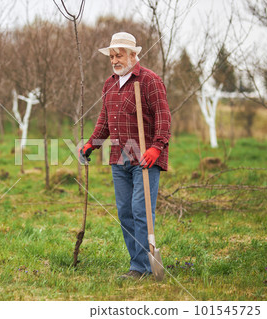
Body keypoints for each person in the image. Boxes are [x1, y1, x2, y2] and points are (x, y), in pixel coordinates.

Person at [79, 32, 171, 280]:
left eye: (118, 55)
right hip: (120, 158)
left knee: (141, 210)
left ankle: (142, 268)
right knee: (125, 212)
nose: (114, 60)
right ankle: (138, 264)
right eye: (111, 56)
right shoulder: (109, 84)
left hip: (145, 158)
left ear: (133, 55)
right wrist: (92, 144)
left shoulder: (150, 81)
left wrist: (157, 147)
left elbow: (164, 118)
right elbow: (104, 121)